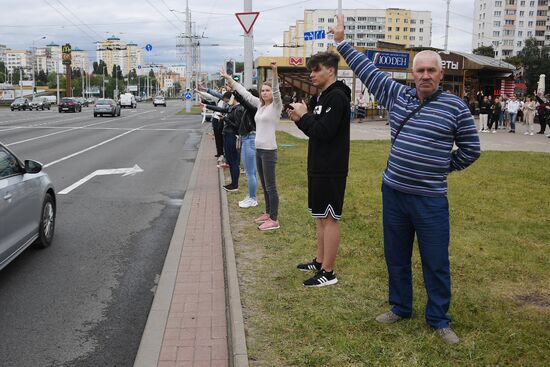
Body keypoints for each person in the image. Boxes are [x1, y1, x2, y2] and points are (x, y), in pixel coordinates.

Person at [332, 14, 480, 345]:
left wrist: (443, 166)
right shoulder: (397, 95)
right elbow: (366, 69)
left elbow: (471, 149)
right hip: (394, 193)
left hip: (430, 199)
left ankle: (439, 318)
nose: (425, 75)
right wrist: (342, 41)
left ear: (441, 74)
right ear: (412, 74)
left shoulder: (456, 108)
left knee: (436, 260)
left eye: (431, 70)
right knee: (396, 255)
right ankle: (400, 306)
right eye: (420, 70)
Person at [286, 51, 351, 288]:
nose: (312, 75)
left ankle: (329, 272)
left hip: (331, 168)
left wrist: (305, 117)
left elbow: (325, 131)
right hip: (318, 165)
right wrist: (300, 119)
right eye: (311, 70)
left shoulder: (337, 97)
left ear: (330, 70)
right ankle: (320, 260)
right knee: (320, 217)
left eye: (316, 70)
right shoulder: (323, 97)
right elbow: (315, 131)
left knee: (330, 218)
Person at [221, 61, 283, 231]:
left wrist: (274, 71)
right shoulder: (260, 106)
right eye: (262, 90)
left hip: (269, 150)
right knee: (264, 184)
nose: (264, 93)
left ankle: (274, 219)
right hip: (259, 149)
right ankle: (268, 213)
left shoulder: (276, 107)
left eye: (267, 90)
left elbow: (277, 90)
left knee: (271, 186)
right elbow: (245, 94)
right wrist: (230, 80)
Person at [205, 91, 244, 192]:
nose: (226, 102)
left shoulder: (239, 109)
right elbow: (220, 109)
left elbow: (237, 126)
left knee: (234, 161)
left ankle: (235, 184)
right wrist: (206, 105)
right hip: (227, 135)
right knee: (230, 161)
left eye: (228, 99)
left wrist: (225, 119)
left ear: (233, 98)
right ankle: (232, 183)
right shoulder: (232, 108)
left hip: (232, 136)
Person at [233, 88, 259, 208]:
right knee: (252, 171)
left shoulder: (253, 108)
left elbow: (245, 102)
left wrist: (236, 92)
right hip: (248, 139)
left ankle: (252, 198)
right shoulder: (252, 110)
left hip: (249, 139)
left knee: (250, 172)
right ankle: (251, 196)